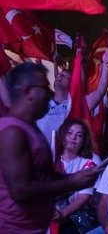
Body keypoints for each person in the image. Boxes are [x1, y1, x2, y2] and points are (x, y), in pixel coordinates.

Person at [0, 62, 100, 233]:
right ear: (28, 91)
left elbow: (44, 177)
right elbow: (21, 190)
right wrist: (72, 182)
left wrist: (78, 178)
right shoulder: (13, 132)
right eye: (44, 87)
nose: (49, 93)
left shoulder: (30, 127)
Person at [37, 50, 108, 144]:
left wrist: (106, 65)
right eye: (59, 75)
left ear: (72, 84)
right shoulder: (41, 101)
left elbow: (100, 91)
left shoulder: (76, 105)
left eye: (65, 76)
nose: (60, 76)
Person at [54, 119, 101, 234]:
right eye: (69, 133)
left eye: (79, 135)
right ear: (62, 135)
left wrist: (62, 213)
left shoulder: (88, 163)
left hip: (72, 217)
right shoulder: (52, 158)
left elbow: (84, 196)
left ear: (84, 140)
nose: (73, 138)